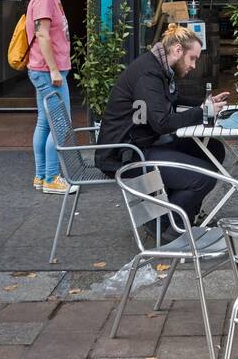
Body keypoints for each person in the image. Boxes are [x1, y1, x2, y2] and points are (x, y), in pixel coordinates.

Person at [95, 24, 229, 242]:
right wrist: (202, 112)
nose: (194, 65)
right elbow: (163, 122)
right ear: (177, 50)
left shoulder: (159, 68)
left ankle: (181, 214)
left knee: (214, 148)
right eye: (192, 58)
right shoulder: (148, 74)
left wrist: (204, 103)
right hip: (127, 154)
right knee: (204, 177)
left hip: (146, 142)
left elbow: (171, 102)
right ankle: (168, 226)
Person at [26, 0, 72, 194]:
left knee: (45, 124)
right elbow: (42, 34)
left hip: (44, 70)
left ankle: (41, 176)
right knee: (61, 124)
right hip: (47, 71)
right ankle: (52, 177)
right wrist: (54, 70)